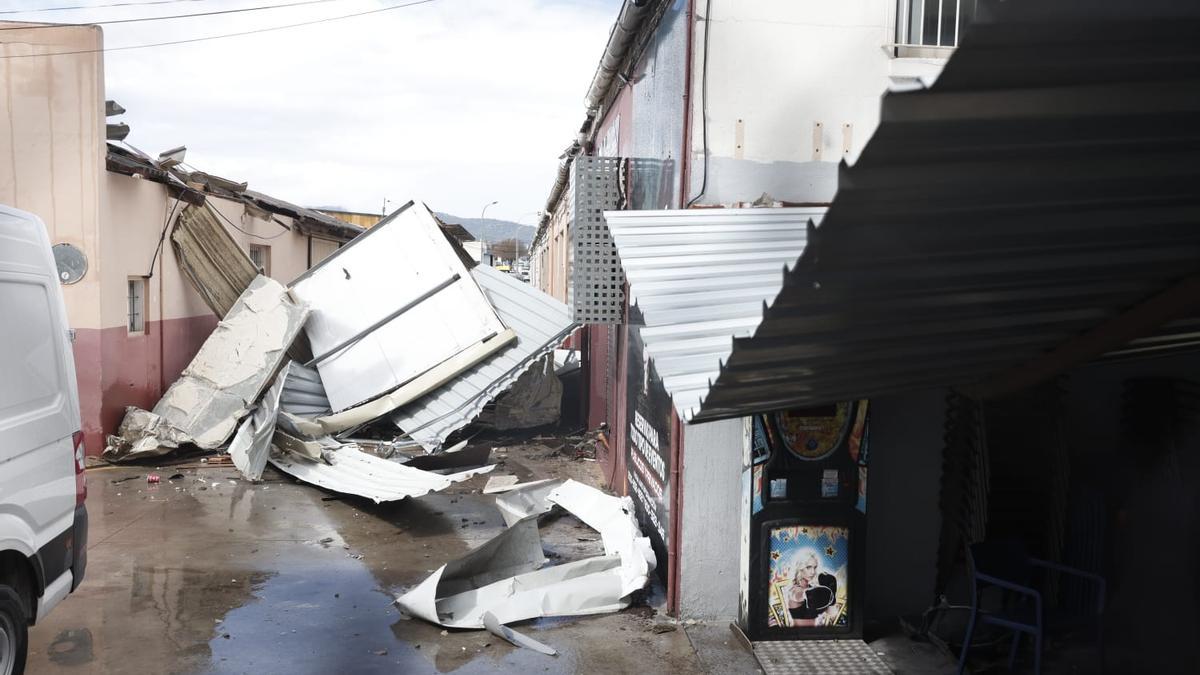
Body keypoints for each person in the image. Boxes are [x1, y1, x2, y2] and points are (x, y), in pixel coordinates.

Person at [786, 550, 837, 623]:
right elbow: (798, 595)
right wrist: (809, 594)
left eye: (815, 567)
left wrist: (832, 597)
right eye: (808, 567)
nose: (813, 572)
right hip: (797, 633)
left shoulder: (813, 588)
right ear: (800, 568)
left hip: (815, 633)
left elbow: (832, 614)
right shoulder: (794, 589)